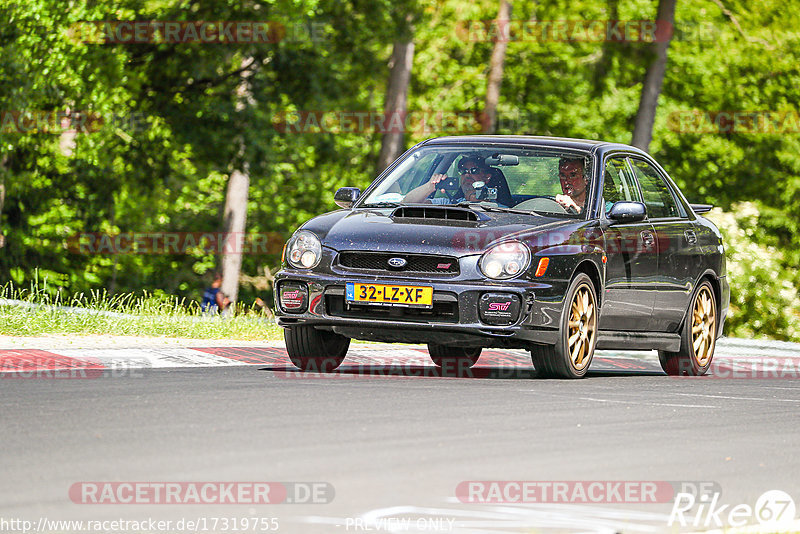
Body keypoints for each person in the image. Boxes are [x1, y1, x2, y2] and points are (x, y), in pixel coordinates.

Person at [403, 156, 507, 206]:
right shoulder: (450, 203)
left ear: (487, 177)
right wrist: (431, 186)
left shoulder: (499, 208)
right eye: (463, 171)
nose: (467, 175)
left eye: (473, 171)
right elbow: (406, 203)